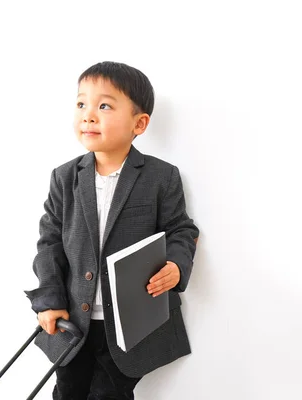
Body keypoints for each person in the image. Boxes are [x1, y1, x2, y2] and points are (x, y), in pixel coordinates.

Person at [25, 61, 199, 400]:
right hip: (75, 320)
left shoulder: (160, 177)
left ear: (139, 123)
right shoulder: (64, 178)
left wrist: (176, 266)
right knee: (67, 392)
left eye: (104, 105)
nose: (88, 115)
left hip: (132, 326)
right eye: (81, 104)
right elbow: (49, 244)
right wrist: (49, 301)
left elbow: (181, 229)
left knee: (109, 396)